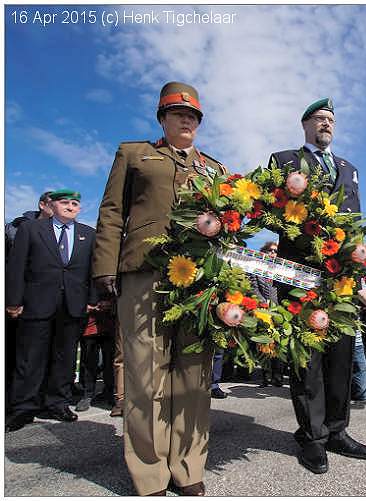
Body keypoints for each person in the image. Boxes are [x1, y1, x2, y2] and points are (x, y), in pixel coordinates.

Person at [92, 82, 226, 496]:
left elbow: (229, 223)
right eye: (178, 113)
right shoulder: (135, 154)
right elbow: (112, 210)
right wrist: (104, 267)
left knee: (193, 374)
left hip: (199, 277)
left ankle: (188, 465)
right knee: (146, 373)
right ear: (162, 118)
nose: (187, 120)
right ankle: (149, 472)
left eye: (194, 116)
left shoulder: (215, 169)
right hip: (144, 270)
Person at [268, 98, 366, 474]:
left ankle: (337, 430)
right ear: (306, 124)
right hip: (303, 273)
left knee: (341, 355)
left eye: (331, 120)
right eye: (320, 119)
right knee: (307, 356)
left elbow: (356, 224)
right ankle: (312, 437)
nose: (326, 124)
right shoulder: (283, 161)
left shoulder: (349, 168)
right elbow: (275, 212)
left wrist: (358, 275)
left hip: (341, 276)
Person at [6, 189, 96, 431]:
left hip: (73, 304)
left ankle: (57, 403)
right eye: (64, 202)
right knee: (30, 357)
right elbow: (17, 267)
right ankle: (24, 407)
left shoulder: (88, 234)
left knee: (64, 357)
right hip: (37, 302)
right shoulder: (31, 230)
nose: (70, 206)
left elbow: (92, 270)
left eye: (75, 203)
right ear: (51, 205)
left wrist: (92, 299)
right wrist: (13, 300)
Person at [5, 191, 54, 403]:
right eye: (57, 203)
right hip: (25, 300)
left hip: (55, 302)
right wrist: (14, 300)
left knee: (50, 353)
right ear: (43, 205)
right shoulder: (18, 228)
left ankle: (45, 398)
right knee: (22, 354)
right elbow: (14, 267)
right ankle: (17, 402)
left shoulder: (66, 233)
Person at [248, 241, 284, 387]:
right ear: (263, 252)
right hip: (263, 310)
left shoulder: (282, 270)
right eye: (270, 250)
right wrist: (263, 302)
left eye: (275, 251)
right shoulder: (256, 269)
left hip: (279, 311)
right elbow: (253, 288)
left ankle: (278, 375)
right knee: (264, 343)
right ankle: (266, 376)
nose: (273, 253)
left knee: (279, 343)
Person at [75, 296, 116, 412]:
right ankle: (87, 393)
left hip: (109, 317)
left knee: (110, 360)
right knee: (88, 360)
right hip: (90, 319)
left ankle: (109, 392)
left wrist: (110, 302)